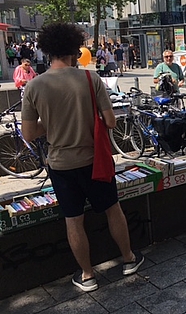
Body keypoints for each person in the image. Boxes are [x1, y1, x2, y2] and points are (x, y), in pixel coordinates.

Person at [21, 22, 143, 292]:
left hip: (61, 166)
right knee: (113, 209)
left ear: (48, 50)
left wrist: (51, 125)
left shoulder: (34, 86)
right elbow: (111, 122)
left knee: (73, 220)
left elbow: (29, 134)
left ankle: (88, 275)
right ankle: (128, 259)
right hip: (94, 161)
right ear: (72, 50)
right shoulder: (90, 78)